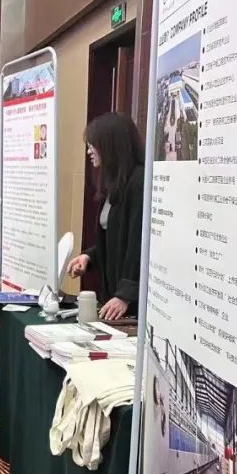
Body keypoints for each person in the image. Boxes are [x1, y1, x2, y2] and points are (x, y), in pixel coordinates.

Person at [67, 112, 145, 321]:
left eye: (93, 145)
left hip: (131, 304)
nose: (89, 151)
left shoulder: (138, 182)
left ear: (111, 145)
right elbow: (114, 240)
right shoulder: (114, 184)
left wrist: (126, 295)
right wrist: (89, 256)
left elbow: (139, 244)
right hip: (113, 295)